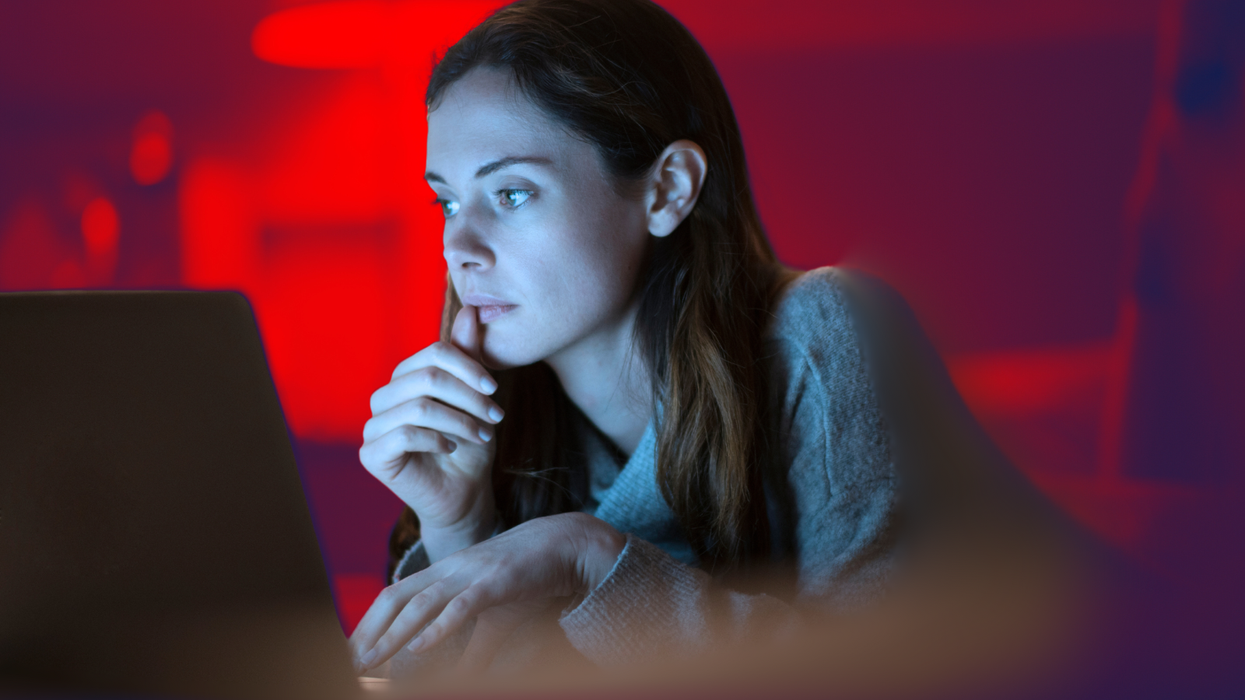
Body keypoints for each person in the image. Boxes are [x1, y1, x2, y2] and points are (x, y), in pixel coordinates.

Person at [345, 0, 1063, 681]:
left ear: (665, 191)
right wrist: (458, 523)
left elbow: (888, 676)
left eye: (511, 194)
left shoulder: (821, 329)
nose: (457, 244)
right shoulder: (499, 422)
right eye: (446, 199)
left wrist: (591, 558)